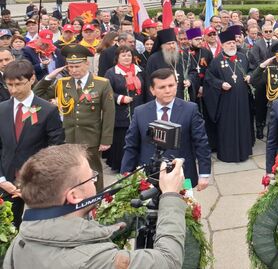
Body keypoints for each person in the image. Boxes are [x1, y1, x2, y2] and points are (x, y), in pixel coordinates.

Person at [4, 144, 187, 268]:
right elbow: (169, 261)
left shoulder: (23, 236)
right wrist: (170, 195)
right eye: (91, 177)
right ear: (74, 196)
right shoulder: (93, 260)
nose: (95, 182)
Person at [33, 44, 115, 190]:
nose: (74, 70)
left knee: (94, 172)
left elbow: (109, 112)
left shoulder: (101, 84)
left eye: (77, 66)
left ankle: (97, 201)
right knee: (71, 173)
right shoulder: (62, 84)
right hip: (68, 137)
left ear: (87, 64)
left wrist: (106, 139)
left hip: (90, 137)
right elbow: (38, 94)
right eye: (70, 67)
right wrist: (49, 77)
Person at [121, 68, 211, 189]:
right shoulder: (140, 112)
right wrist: (125, 177)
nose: (168, 90)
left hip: (183, 175)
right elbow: (131, 146)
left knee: (186, 206)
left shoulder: (190, 109)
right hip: (148, 177)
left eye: (171, 85)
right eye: (162, 87)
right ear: (152, 90)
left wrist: (204, 174)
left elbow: (201, 143)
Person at [0, 60, 64, 227]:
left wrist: (36, 182)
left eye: (19, 84)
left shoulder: (47, 110)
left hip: (36, 183)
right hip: (6, 182)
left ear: (32, 79)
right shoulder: (2, 109)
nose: (14, 90)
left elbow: (55, 149)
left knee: (39, 228)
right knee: (8, 229)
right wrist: (2, 180)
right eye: (9, 85)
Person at [203, 28, 254, 163]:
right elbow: (209, 79)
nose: (232, 45)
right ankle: (228, 154)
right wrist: (220, 84)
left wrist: (249, 75)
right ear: (223, 45)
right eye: (228, 43)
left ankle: (244, 152)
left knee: (243, 124)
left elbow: (250, 69)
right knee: (228, 127)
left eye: (233, 42)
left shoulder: (242, 57)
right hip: (226, 101)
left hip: (242, 99)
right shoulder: (216, 61)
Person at [104, 46, 145, 172]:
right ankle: (121, 166)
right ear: (117, 58)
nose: (127, 58)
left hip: (138, 109)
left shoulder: (140, 70)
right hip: (121, 112)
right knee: (122, 139)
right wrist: (121, 98)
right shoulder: (111, 73)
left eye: (129, 55)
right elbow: (107, 92)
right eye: (123, 55)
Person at [145, 28, 198, 100]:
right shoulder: (153, 59)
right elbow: (149, 81)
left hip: (182, 96)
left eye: (173, 43)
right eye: (169, 44)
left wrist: (189, 80)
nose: (172, 46)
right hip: (163, 97)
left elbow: (193, 72)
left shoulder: (184, 55)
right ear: (162, 45)